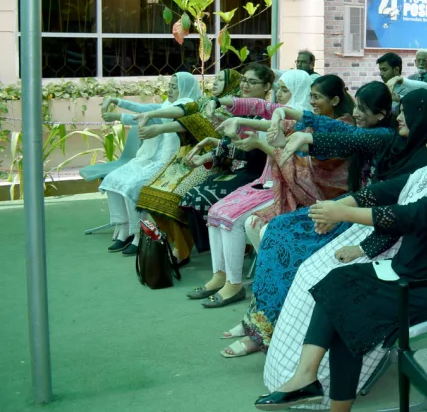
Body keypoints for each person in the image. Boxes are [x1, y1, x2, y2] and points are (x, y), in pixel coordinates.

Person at [257, 104, 427, 412]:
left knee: (348, 307)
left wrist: (343, 214)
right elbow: (386, 190)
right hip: (409, 274)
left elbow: (407, 217)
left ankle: (327, 404)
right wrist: (341, 204)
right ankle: (310, 382)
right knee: (338, 284)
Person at [218, 82, 406, 358]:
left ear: (381, 115)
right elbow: (328, 127)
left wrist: (305, 139)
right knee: (278, 228)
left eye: (363, 111)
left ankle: (269, 328)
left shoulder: (383, 136)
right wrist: (274, 118)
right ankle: (260, 319)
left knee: (291, 248)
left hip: (360, 219)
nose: (356, 114)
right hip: (344, 209)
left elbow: (345, 137)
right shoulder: (366, 130)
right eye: (357, 108)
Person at [194, 71, 322, 308]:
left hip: (286, 187)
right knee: (215, 212)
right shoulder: (280, 111)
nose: (279, 94)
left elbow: (289, 162)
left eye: (285, 89)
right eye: (279, 88)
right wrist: (220, 103)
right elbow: (258, 107)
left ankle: (234, 284)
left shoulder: (305, 120)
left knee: (232, 218)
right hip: (265, 182)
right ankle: (219, 275)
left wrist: (251, 135)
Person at [99, 72, 203, 256]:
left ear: (185, 88)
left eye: (174, 86)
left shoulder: (188, 104)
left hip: (172, 162)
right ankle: (124, 230)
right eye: (169, 85)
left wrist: (126, 112)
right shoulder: (166, 105)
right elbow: (143, 109)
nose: (170, 90)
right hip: (151, 158)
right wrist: (117, 103)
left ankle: (139, 234)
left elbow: (153, 112)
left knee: (133, 186)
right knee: (112, 179)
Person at [180, 65, 273, 252]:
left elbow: (249, 152)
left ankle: (226, 250)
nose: (245, 85)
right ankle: (214, 251)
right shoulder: (238, 112)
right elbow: (225, 145)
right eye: (244, 80)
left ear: (267, 87)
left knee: (200, 199)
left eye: (252, 82)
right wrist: (204, 159)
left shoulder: (266, 115)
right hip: (234, 170)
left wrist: (224, 145)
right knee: (189, 197)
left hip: (255, 174)